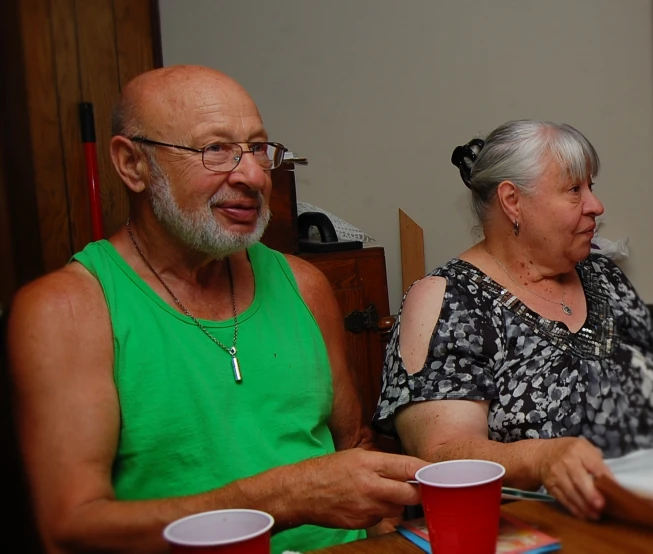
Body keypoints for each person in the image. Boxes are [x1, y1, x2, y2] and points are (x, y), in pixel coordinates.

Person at [7, 65, 425, 554]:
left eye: (257, 148)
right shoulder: (67, 310)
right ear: (132, 165)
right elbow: (71, 529)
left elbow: (354, 444)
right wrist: (280, 501)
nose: (251, 175)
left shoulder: (304, 285)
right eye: (215, 150)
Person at [373, 120, 653, 522]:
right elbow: (441, 454)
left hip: (648, 518)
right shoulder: (448, 299)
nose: (595, 205)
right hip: (518, 533)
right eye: (574, 190)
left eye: (591, 186)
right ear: (513, 202)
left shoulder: (604, 277)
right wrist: (543, 458)